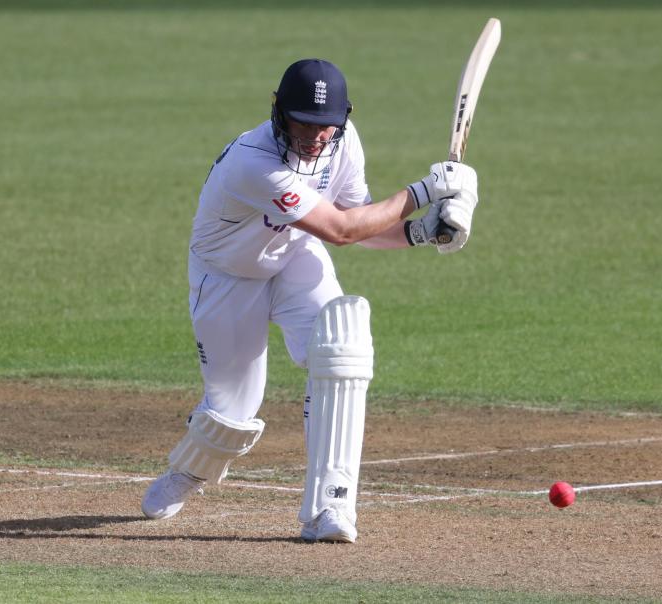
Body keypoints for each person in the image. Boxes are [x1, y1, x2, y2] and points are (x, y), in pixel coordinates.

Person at [141, 58, 479, 543]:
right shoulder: (252, 163)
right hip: (227, 276)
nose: (314, 136)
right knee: (233, 411)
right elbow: (342, 232)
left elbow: (359, 221)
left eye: (325, 126)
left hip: (295, 256)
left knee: (341, 347)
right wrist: (426, 190)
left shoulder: (344, 142)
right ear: (279, 113)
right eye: (303, 122)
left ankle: (331, 507)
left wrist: (422, 232)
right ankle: (192, 470)